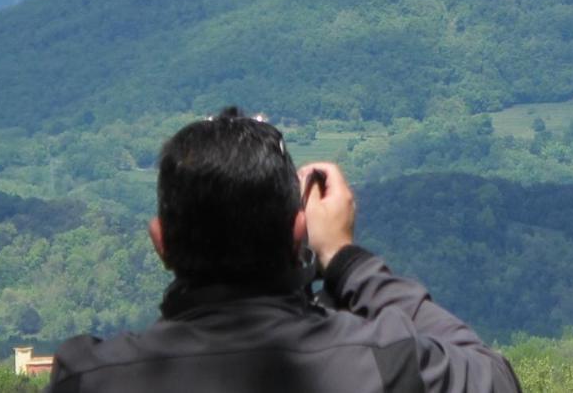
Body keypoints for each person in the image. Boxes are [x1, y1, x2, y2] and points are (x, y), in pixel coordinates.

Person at [46, 107, 522, 392]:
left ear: (161, 242)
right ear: (298, 231)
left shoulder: (88, 379)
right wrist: (344, 259)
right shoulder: (382, 363)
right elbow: (495, 377)